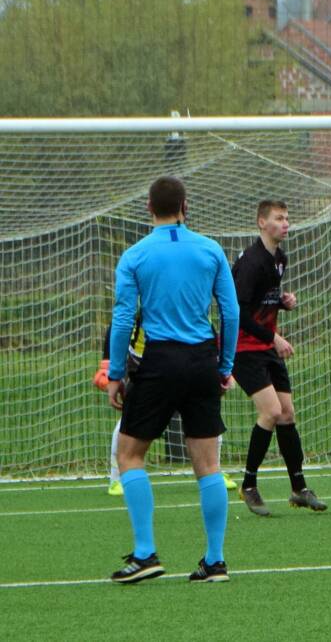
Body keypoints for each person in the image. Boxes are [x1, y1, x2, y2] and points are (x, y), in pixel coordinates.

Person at [105, 175, 238, 584]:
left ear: (149, 208)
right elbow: (230, 313)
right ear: (186, 205)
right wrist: (225, 365)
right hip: (202, 360)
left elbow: (124, 318)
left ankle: (146, 553)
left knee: (129, 454)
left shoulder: (135, 255)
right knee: (209, 464)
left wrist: (114, 373)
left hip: (160, 360)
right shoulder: (211, 249)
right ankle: (214, 560)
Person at [233, 200, 327, 517]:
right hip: (245, 349)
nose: (285, 223)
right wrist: (273, 337)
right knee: (272, 411)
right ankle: (248, 485)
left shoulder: (279, 259)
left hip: (266, 348)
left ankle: (299, 489)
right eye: (279, 218)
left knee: (287, 414)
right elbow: (238, 314)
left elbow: (264, 302)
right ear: (262, 222)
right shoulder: (251, 262)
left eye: (287, 218)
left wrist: (283, 303)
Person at [95, 319, 236, 495]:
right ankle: (118, 479)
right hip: (148, 365)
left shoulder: (194, 304)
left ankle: (214, 471)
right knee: (131, 422)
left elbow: (213, 325)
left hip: (191, 360)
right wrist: (108, 366)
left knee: (207, 420)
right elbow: (121, 319)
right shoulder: (145, 301)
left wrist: (222, 368)